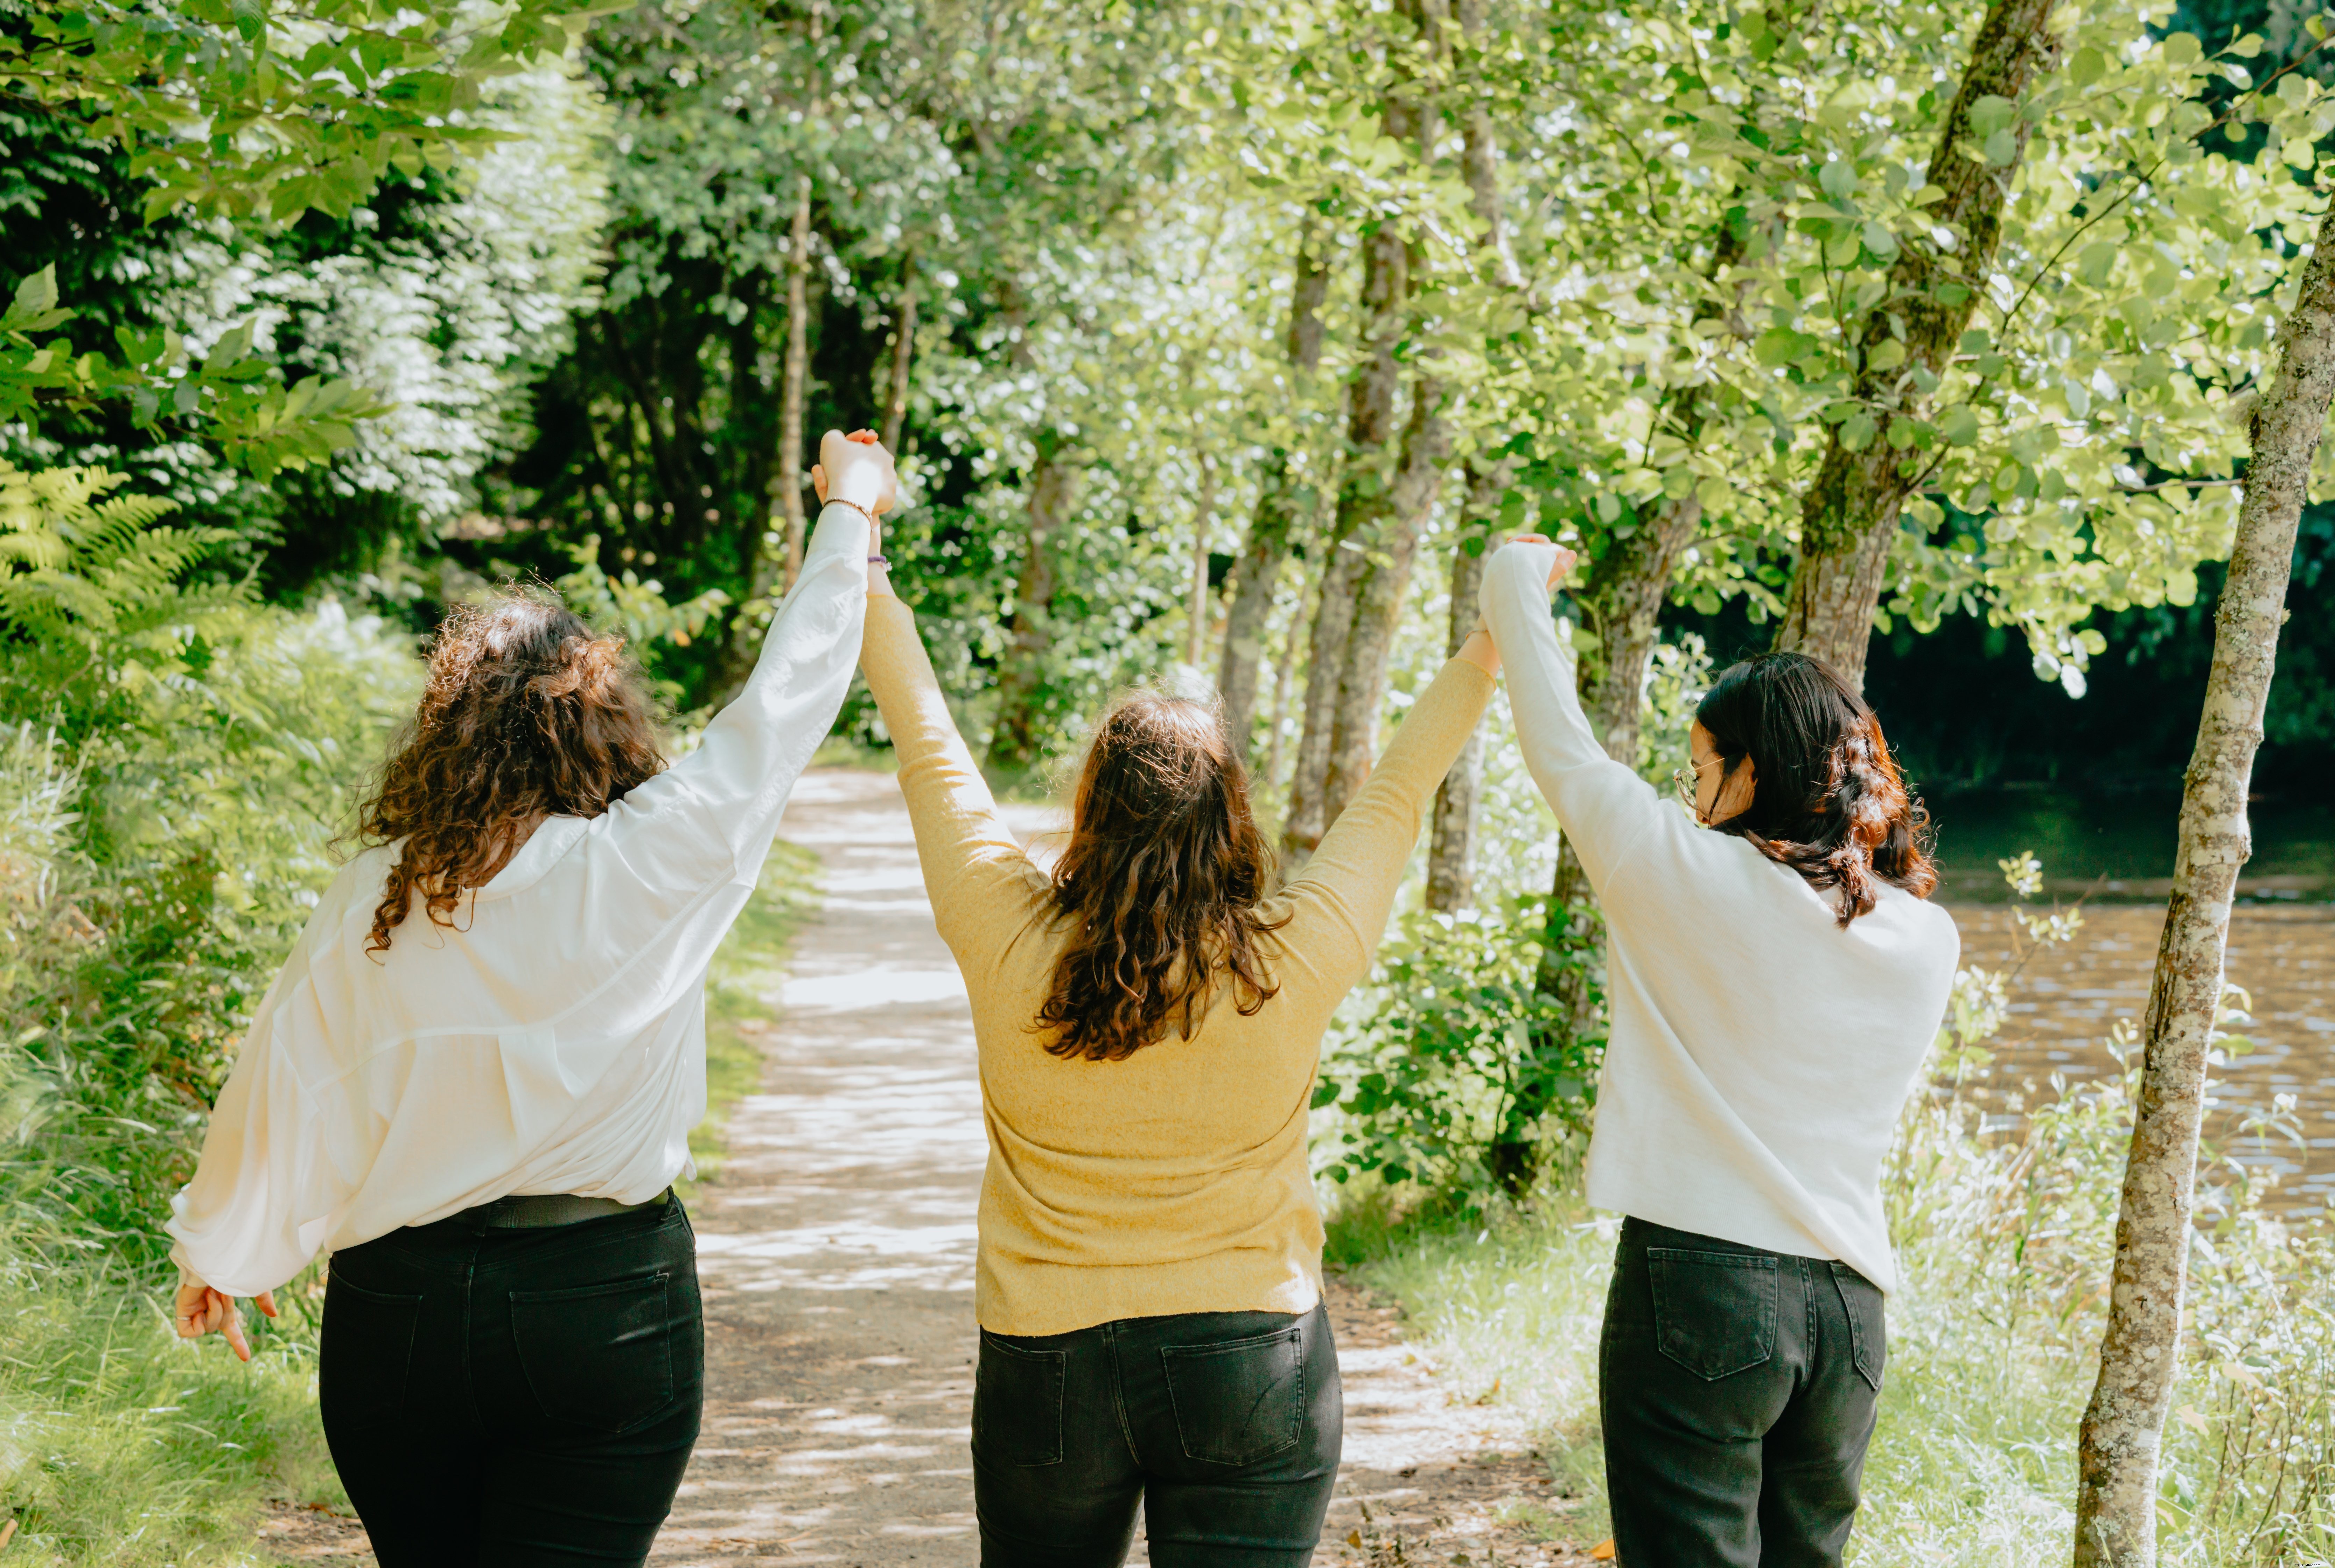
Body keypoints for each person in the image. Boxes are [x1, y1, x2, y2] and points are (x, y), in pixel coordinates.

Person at [166, 430, 898, 1566]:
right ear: (594, 722)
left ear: (446, 734)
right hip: (604, 1309)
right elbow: (780, 707)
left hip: (397, 1324)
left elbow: (291, 1073)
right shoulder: (648, 862)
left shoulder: (382, 894)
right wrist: (849, 510)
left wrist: (229, 1247)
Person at [857, 529, 1501, 1566]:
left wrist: (868, 553)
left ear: (1091, 812)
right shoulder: (1294, 955)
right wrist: (1489, 640)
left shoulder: (1005, 931)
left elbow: (927, 739)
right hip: (1253, 1355)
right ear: (1231, 817)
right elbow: (1397, 793)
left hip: (1047, 1363)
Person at [1478, 535, 1959, 1567]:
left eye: (1703, 772)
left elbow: (1556, 740)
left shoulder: (1672, 869)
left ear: (1754, 770)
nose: (1691, 797)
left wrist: (1515, 576)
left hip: (1700, 1284)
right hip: (1851, 1312)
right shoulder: (1928, 935)